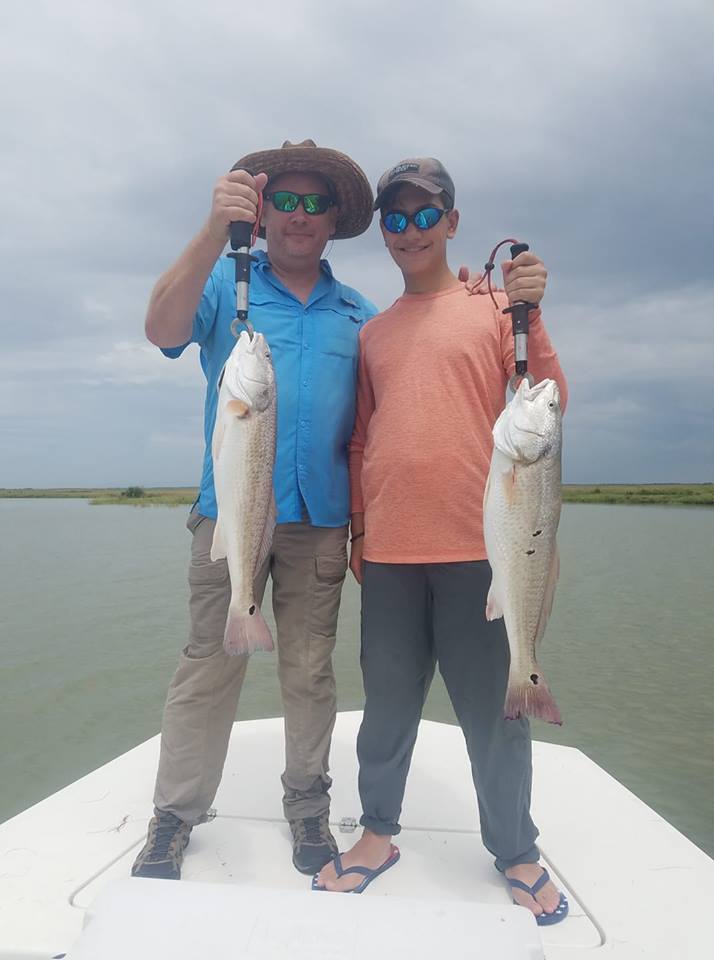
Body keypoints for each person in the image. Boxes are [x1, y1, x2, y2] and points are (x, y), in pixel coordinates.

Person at [314, 158, 570, 925]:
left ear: (453, 222)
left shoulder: (494, 307)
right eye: (395, 218)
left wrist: (531, 310)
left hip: (481, 552)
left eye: (426, 215)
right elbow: (360, 440)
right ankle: (378, 834)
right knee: (386, 708)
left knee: (498, 713)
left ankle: (516, 848)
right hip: (390, 553)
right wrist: (360, 527)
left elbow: (551, 401)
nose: (410, 230)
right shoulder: (375, 333)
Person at [132, 140, 378, 880]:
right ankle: (174, 817)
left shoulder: (359, 314)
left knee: (310, 673)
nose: (300, 216)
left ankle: (308, 809)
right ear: (263, 212)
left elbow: (377, 423)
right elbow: (161, 330)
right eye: (286, 201)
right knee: (207, 668)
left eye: (316, 203)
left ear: (335, 219)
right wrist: (213, 230)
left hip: (322, 522)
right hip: (228, 515)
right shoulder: (223, 285)